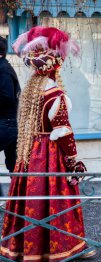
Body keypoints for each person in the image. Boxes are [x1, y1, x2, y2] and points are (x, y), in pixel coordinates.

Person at [1, 26, 95, 262]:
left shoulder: (31, 92)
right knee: (55, 199)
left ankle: (24, 246)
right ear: (57, 65)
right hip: (50, 154)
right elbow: (63, 133)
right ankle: (61, 248)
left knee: (30, 197)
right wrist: (73, 160)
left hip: (29, 150)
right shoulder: (56, 95)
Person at [0, 36, 20, 204]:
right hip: (8, 123)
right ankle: (18, 202)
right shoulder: (3, 67)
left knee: (14, 163)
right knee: (13, 163)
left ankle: (18, 200)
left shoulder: (3, 69)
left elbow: (7, 97)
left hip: (6, 123)